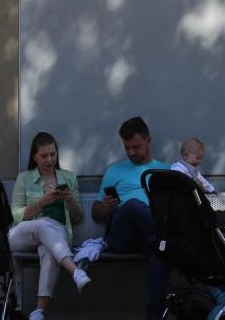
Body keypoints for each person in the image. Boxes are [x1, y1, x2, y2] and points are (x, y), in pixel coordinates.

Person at [91, 116, 172, 320]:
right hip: (122, 235)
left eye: (136, 147)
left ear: (148, 141)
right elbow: (95, 213)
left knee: (159, 249)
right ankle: (165, 236)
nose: (131, 153)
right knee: (133, 206)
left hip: (149, 237)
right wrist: (104, 207)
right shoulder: (115, 170)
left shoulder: (165, 171)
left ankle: (155, 315)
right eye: (127, 148)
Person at [9, 131, 92, 320]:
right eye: (44, 155)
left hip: (57, 234)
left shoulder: (68, 178)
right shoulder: (24, 178)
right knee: (42, 224)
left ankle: (38, 312)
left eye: (53, 154)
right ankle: (75, 271)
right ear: (34, 157)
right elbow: (15, 215)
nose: (49, 160)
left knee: (48, 250)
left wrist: (70, 201)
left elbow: (77, 217)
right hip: (23, 233)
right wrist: (41, 203)